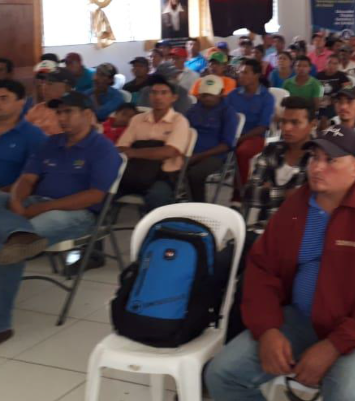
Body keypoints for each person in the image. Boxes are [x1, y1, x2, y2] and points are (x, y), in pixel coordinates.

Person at [205, 125, 355, 401]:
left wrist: (334, 346)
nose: (316, 167)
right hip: (301, 318)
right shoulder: (297, 207)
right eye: (314, 157)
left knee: (348, 395)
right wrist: (267, 329)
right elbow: (262, 269)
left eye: (331, 160)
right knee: (222, 374)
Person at [0, 90, 121, 344]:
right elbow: (27, 178)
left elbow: (94, 196)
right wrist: (17, 200)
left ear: (87, 114)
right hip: (35, 203)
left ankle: (2, 324)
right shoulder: (52, 143)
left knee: (14, 246)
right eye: (59, 112)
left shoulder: (102, 148)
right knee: (11, 220)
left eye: (68, 112)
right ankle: (14, 228)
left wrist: (40, 209)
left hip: (76, 214)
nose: (62, 118)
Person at [117, 76, 192, 211]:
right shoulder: (137, 119)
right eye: (154, 93)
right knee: (103, 189)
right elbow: (121, 147)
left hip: (163, 175)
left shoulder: (179, 121)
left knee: (157, 198)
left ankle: (152, 223)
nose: (158, 97)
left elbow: (169, 151)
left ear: (174, 98)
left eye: (164, 93)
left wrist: (134, 152)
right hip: (133, 171)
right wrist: (147, 152)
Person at [244, 96, 315, 224]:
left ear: (312, 125)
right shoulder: (272, 150)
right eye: (283, 121)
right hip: (265, 226)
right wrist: (286, 194)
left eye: (295, 123)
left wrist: (268, 190)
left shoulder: (317, 157)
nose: (286, 128)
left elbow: (311, 203)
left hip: (300, 228)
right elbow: (250, 194)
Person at [184, 75, 240, 202]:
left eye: (211, 95)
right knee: (171, 168)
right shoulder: (193, 110)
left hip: (215, 155)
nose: (207, 98)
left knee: (195, 174)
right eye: (204, 95)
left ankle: (198, 205)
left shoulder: (227, 112)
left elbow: (226, 145)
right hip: (189, 151)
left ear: (221, 93)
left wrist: (198, 157)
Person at [227, 59, 275, 188]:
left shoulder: (266, 97)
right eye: (240, 72)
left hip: (254, 136)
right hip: (231, 135)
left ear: (256, 75)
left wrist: (240, 139)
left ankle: (238, 194)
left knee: (243, 152)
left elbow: (262, 127)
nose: (240, 75)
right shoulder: (233, 94)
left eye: (245, 72)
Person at [0, 80, 47, 192]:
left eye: (3, 99)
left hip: (8, 196)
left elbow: (33, 180)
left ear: (21, 102)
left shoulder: (34, 136)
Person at [26, 69, 74, 136]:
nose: (44, 87)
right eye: (44, 83)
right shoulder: (35, 110)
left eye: (50, 84)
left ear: (66, 88)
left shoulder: (76, 111)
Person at [316, 54, 352, 119]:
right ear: (325, 63)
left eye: (335, 63)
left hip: (335, 101)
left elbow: (348, 89)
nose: (332, 65)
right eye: (329, 62)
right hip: (321, 101)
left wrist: (335, 98)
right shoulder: (319, 76)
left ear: (338, 65)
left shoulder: (341, 75)